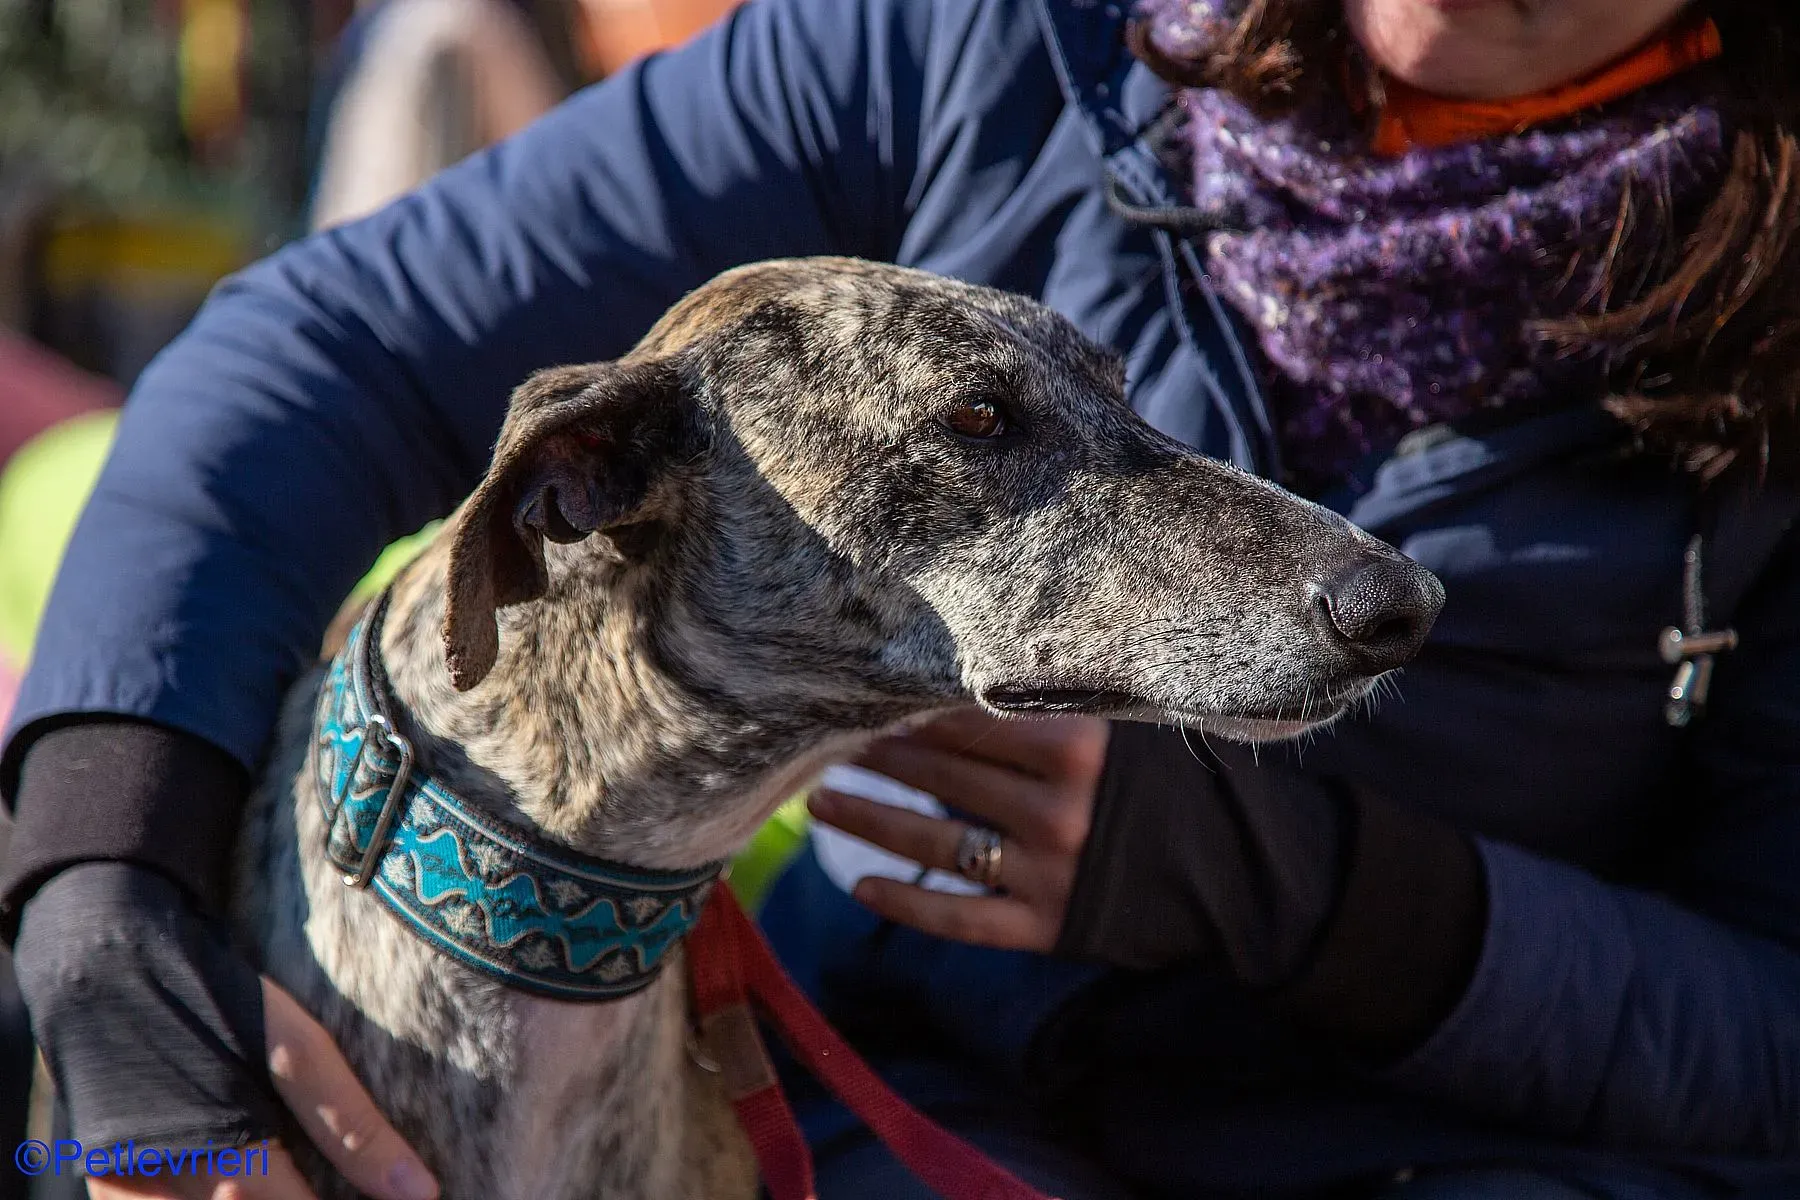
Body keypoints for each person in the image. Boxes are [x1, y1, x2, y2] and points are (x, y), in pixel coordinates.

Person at [2, 0, 1797, 1198]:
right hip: (894, 1089)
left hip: (1452, 1149)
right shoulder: (984, 40)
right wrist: (97, 895)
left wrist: (1302, 891)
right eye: (986, 425)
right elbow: (317, 359)